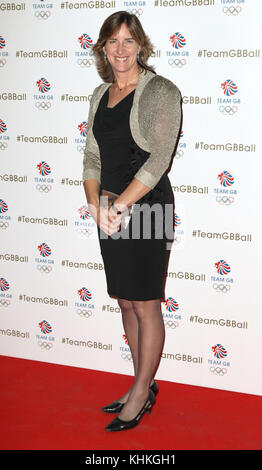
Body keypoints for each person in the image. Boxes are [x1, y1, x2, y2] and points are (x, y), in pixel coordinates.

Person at [82, 11, 182, 432]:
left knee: (144, 303)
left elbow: (159, 158)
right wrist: (95, 206)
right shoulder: (99, 94)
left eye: (128, 41)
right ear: (103, 48)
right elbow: (92, 157)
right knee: (125, 300)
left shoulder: (161, 90)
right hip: (109, 212)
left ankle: (141, 392)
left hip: (147, 209)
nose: (120, 50)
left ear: (141, 46)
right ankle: (140, 381)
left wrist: (119, 206)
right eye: (112, 42)